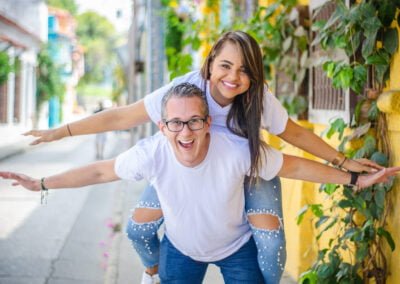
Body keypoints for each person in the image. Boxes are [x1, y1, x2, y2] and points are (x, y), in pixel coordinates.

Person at [23, 31, 381, 283]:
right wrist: (61, 130)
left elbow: (295, 137)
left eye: (244, 70)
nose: (233, 77)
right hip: (188, 165)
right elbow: (120, 116)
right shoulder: (185, 93)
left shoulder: (258, 99)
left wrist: (344, 164)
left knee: (270, 246)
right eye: (225, 66)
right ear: (210, 65)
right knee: (139, 228)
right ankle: (152, 274)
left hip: (247, 166)